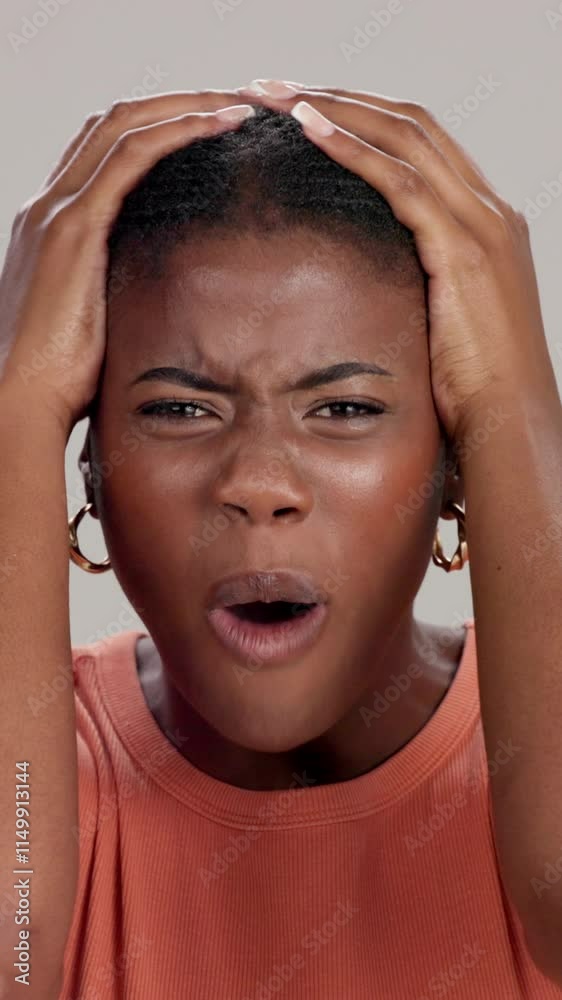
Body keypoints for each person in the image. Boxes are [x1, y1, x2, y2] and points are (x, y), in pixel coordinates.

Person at [0, 79, 561, 1000]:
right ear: (87, 466)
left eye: (344, 407)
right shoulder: (45, 765)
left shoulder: (531, 755)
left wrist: (513, 399)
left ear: (460, 463)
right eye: (179, 407)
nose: (258, 485)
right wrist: (16, 403)